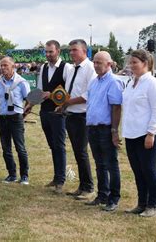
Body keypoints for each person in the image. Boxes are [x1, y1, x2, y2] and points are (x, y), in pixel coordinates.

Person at [25, 40, 72, 194]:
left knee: (59, 146)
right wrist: (30, 105)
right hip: (45, 112)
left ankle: (60, 180)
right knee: (53, 146)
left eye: (51, 52)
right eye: (46, 52)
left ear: (58, 51)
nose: (48, 54)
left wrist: (51, 95)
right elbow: (39, 90)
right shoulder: (44, 67)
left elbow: (69, 91)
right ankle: (56, 176)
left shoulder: (67, 68)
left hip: (59, 113)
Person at [122, 49, 156, 217]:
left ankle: (153, 205)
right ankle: (142, 203)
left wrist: (151, 133)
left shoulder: (153, 83)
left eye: (135, 63)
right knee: (138, 171)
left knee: (149, 170)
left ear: (145, 64)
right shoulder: (131, 83)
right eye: (130, 63)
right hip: (131, 134)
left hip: (146, 134)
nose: (131, 66)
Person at [56, 39, 97, 200]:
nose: (71, 53)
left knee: (82, 152)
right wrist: (63, 105)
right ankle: (82, 186)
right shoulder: (71, 69)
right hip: (70, 114)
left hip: (82, 115)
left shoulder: (90, 68)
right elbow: (69, 91)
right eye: (70, 50)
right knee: (77, 152)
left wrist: (69, 102)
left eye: (75, 50)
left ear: (84, 51)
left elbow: (89, 94)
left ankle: (89, 187)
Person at [85, 51, 123, 212]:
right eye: (94, 62)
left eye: (99, 62)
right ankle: (102, 195)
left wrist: (114, 131)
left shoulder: (114, 82)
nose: (95, 65)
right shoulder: (94, 82)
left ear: (109, 64)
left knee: (111, 164)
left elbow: (116, 107)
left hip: (106, 128)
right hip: (92, 128)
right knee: (99, 164)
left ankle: (114, 198)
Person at [0, 57, 30, 185]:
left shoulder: (21, 82)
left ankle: (24, 175)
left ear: (13, 66)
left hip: (16, 117)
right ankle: (11, 174)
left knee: (20, 147)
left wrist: (24, 112)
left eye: (5, 65)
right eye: (1, 66)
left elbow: (29, 99)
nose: (3, 68)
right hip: (3, 118)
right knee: (6, 148)